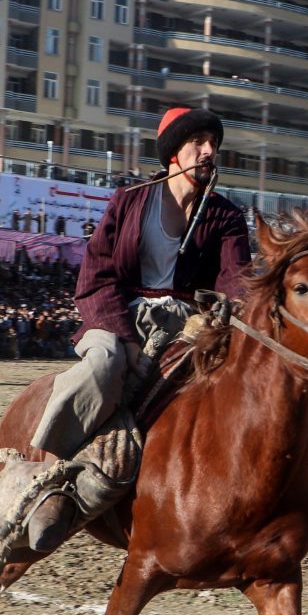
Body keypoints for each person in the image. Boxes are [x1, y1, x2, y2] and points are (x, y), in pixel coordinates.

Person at [27, 106, 251, 550]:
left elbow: (235, 280)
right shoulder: (129, 201)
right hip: (120, 314)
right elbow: (98, 272)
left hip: (188, 325)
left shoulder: (226, 217)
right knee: (103, 368)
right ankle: (50, 477)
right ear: (174, 153)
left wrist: (223, 312)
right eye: (198, 144)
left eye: (214, 146)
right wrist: (125, 338)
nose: (209, 152)